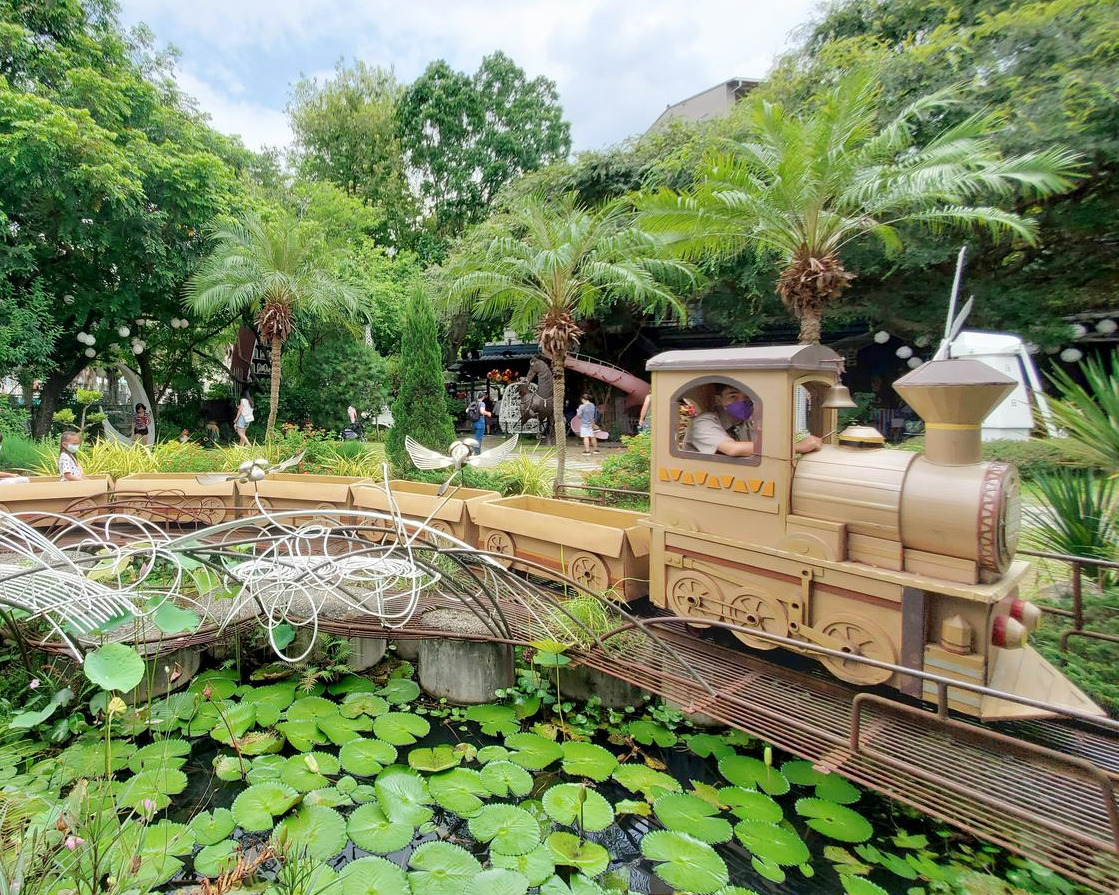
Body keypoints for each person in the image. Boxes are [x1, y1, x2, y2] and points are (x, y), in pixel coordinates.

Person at [685, 384, 822, 458]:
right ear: (719, 400)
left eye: (746, 396)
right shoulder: (704, 422)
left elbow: (763, 445)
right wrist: (796, 447)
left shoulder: (747, 422)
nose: (742, 402)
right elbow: (732, 449)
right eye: (733, 396)